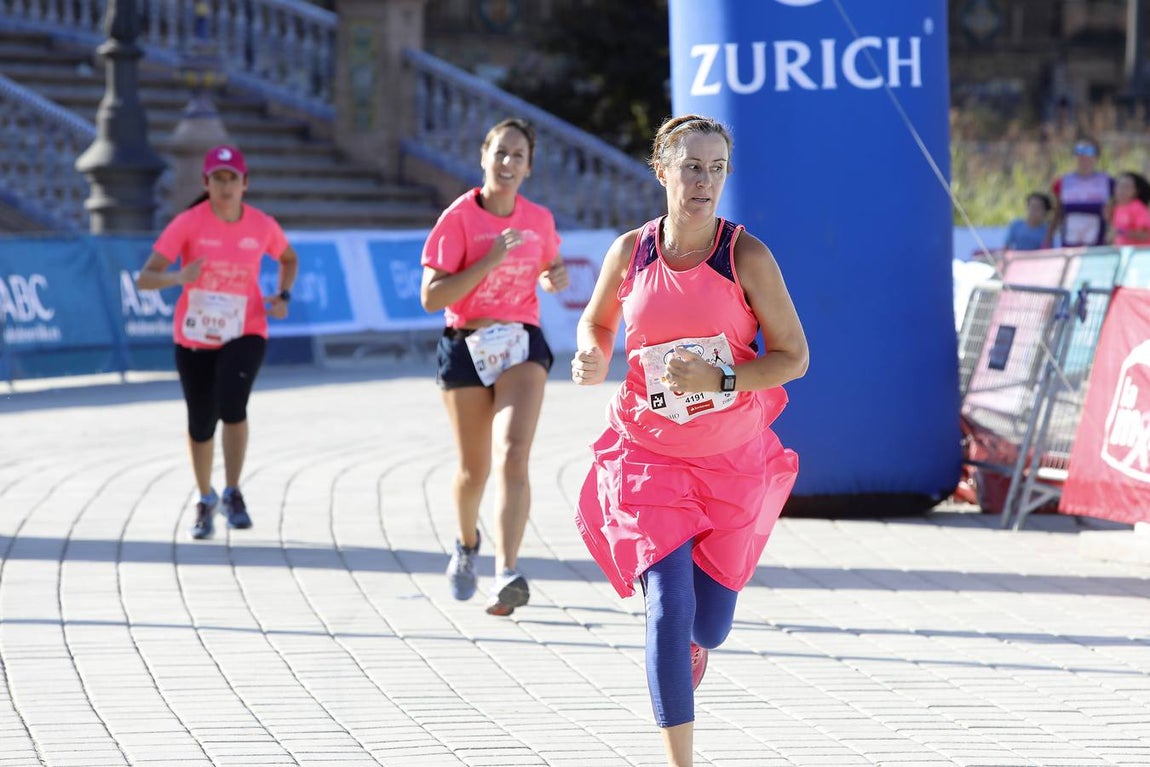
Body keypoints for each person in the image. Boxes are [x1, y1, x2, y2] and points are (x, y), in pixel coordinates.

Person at [570, 115, 808, 767]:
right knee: (669, 609)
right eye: (692, 167)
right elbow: (596, 319)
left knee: (709, 624)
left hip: (729, 461)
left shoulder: (745, 256)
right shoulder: (631, 251)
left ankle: (695, 645)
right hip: (648, 456)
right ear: (663, 170)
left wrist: (721, 375)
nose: (704, 181)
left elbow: (793, 357)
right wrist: (592, 352)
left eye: (716, 168)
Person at [420, 117, 569, 616]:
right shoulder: (458, 219)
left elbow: (548, 266)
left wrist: (553, 277)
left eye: (518, 156)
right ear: (484, 156)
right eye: (500, 153)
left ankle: (508, 572)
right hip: (465, 344)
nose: (508, 163)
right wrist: (487, 261)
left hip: (520, 342)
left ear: (529, 168)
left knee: (514, 451)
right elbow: (430, 296)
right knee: (472, 470)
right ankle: (466, 544)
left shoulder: (539, 220)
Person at [136, 145, 299, 540]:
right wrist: (179, 277)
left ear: (245, 184)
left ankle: (232, 490)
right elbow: (146, 277)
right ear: (206, 183)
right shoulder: (188, 223)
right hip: (194, 334)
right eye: (218, 179)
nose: (225, 187)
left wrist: (282, 296)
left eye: (232, 179)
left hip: (245, 329)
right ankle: (205, 496)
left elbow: (288, 258)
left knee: (232, 403)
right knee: (201, 420)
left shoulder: (261, 225)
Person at [1048, 136, 1114, 248]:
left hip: (1098, 244)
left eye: (1088, 151)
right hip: (1069, 243)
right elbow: (1058, 212)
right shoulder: (1063, 181)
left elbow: (1117, 212)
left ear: (1096, 156)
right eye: (1079, 151)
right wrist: (1048, 238)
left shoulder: (1108, 182)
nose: (1083, 156)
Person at [1108, 171, 1150, 246]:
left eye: (1127, 186)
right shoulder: (1116, 207)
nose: (1122, 190)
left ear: (1136, 191)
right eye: (1119, 186)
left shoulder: (1138, 208)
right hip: (1122, 253)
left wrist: (1122, 232)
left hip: (1139, 254)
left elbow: (1146, 235)